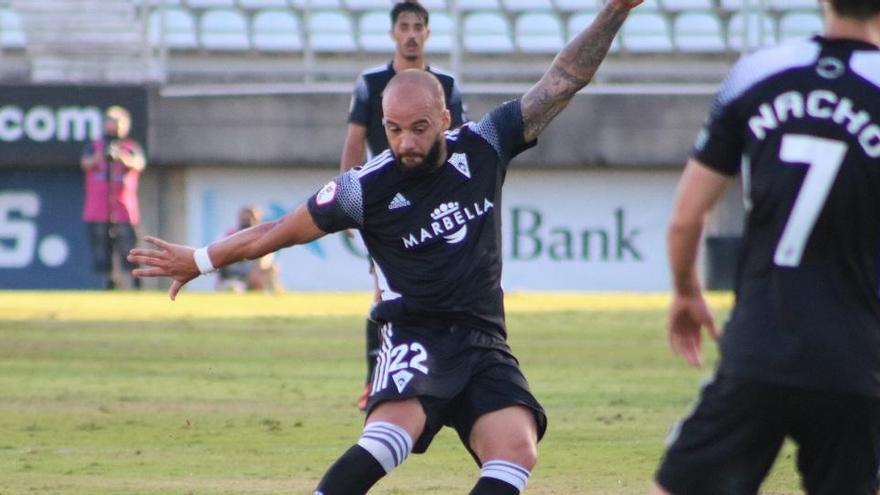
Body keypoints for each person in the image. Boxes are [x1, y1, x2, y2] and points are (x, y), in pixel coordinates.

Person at [128, 1, 641, 492]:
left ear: (445, 118)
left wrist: (614, 10)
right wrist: (198, 260)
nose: (406, 144)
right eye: (394, 131)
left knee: (516, 450)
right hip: (414, 331)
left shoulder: (485, 145)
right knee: (389, 439)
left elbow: (562, 82)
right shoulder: (363, 189)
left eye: (418, 129)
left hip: (484, 338)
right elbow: (274, 232)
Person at [652, 1, 880, 493]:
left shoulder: (758, 72)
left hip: (760, 347)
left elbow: (686, 219)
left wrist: (687, 292)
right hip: (857, 358)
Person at [341, 0, 466, 410]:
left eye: (418, 27)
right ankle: (374, 381)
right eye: (404, 26)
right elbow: (354, 144)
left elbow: (463, 145)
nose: (411, 34)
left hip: (436, 204)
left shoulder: (445, 84)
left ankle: (449, 374)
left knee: (450, 291)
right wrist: (347, 200)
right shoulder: (371, 83)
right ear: (393, 33)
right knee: (383, 294)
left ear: (427, 34)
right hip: (388, 204)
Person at [81, 105, 146, 290]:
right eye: (111, 123)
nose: (115, 128)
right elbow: (85, 164)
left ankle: (136, 285)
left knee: (130, 251)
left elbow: (139, 164)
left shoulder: (130, 147)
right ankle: (108, 284)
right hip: (98, 211)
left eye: (119, 124)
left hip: (124, 210)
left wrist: (122, 157)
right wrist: (100, 156)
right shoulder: (94, 147)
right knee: (102, 253)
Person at [215, 206, 283, 293]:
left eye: (251, 219)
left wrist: (256, 271)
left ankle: (272, 294)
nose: (248, 222)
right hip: (233, 276)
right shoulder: (229, 234)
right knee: (233, 288)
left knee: (272, 268)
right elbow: (219, 260)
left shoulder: (264, 235)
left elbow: (266, 261)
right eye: (245, 220)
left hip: (253, 275)